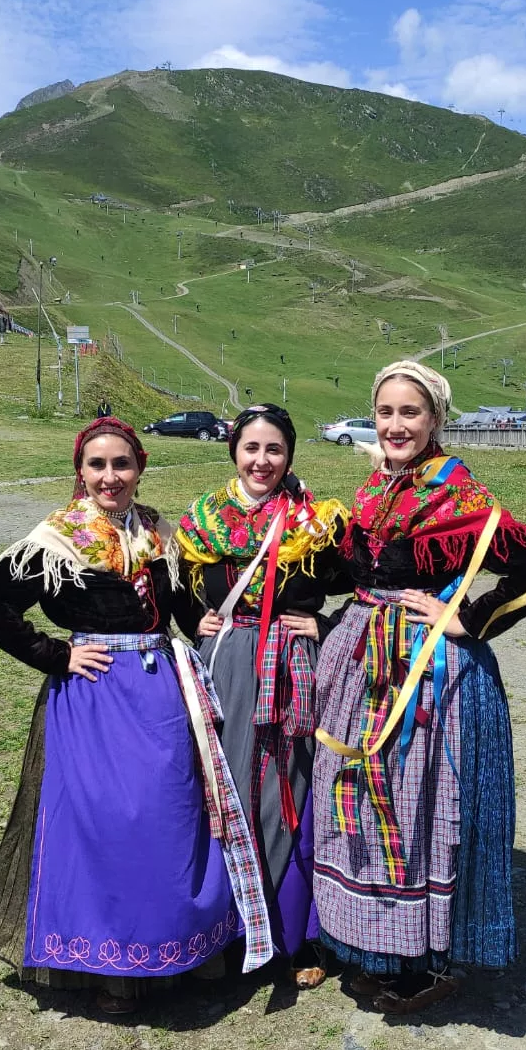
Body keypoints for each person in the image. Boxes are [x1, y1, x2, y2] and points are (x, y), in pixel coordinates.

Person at [0, 416, 271, 1017]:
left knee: (172, 817)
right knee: (111, 823)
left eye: (121, 464)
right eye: (97, 465)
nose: (110, 477)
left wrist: (199, 622)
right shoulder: (56, 538)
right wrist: (58, 654)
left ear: (139, 468)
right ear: (80, 472)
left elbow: (177, 599)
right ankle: (111, 969)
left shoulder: (156, 529)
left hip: (163, 693)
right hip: (98, 696)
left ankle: (183, 949)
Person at [312, 362, 526, 1016]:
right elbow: (356, 573)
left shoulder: (461, 499)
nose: (395, 425)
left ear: (436, 420)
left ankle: (422, 960)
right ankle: (371, 947)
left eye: (410, 413)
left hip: (428, 676)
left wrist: (471, 618)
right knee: (362, 808)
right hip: (361, 664)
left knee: (418, 811)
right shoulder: (373, 494)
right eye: (385, 413)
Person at [175, 405, 350, 988]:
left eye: (273, 449)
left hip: (292, 672)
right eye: (251, 448)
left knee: (290, 792)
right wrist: (193, 622)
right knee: (222, 795)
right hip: (225, 666)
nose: (261, 461)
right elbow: (174, 586)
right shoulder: (203, 521)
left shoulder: (317, 524)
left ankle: (294, 937)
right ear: (234, 451)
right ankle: (225, 932)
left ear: (290, 456)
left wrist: (323, 627)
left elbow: (372, 584)